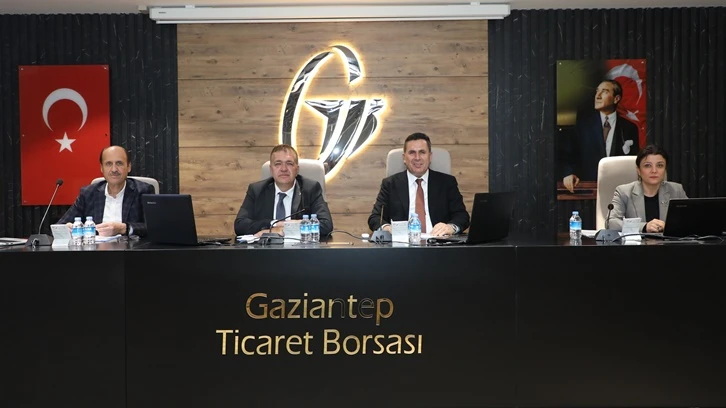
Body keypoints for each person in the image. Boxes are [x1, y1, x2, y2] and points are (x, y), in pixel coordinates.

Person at [368, 132, 470, 236]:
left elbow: (462, 216)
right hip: (403, 243)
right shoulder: (390, 184)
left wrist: (450, 227)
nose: (417, 158)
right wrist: (388, 228)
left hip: (438, 242)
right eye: (412, 152)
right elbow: (375, 218)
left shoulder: (447, 182)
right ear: (404, 158)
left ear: (430, 156)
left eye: (422, 152)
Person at [234, 144, 333, 237]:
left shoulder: (310, 189)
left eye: (289, 163)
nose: (284, 169)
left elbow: (326, 225)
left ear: (297, 169)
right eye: (278, 164)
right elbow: (240, 225)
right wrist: (273, 225)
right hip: (265, 249)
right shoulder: (257, 190)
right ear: (271, 169)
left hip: (299, 248)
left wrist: (287, 227)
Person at [59, 145, 155, 236]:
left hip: (130, 247)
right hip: (96, 247)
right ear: (101, 168)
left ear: (129, 167)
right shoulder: (88, 193)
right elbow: (60, 226)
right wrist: (67, 228)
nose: (114, 169)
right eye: (108, 164)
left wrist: (124, 228)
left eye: (119, 163)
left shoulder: (143, 191)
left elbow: (154, 227)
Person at [562, 79, 639, 192]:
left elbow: (633, 163)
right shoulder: (582, 126)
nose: (597, 96)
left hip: (619, 191)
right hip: (588, 190)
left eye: (604, 91)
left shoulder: (629, 128)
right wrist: (568, 173)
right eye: (597, 91)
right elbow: (566, 155)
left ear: (616, 99)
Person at [609, 144, 688, 233]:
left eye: (660, 165)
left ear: (665, 170)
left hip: (667, 241)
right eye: (647, 166)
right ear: (638, 170)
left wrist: (669, 227)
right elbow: (611, 223)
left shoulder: (676, 190)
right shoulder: (624, 192)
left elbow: (690, 220)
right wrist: (644, 227)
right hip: (638, 242)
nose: (654, 171)